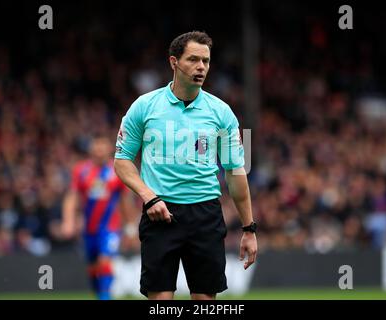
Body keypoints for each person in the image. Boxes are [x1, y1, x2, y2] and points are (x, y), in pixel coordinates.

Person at [114, 31, 257, 300]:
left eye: (206, 61)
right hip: (159, 213)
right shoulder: (143, 107)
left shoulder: (223, 112)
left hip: (206, 214)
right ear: (174, 62)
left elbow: (237, 172)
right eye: (193, 59)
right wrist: (148, 197)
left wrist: (249, 229)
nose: (201, 67)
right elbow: (121, 161)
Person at [61, 135, 136, 300]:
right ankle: (100, 294)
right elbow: (71, 197)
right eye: (97, 145)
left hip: (110, 228)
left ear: (109, 148)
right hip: (89, 230)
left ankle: (105, 297)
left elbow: (125, 201)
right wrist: (68, 221)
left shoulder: (117, 171)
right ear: (91, 148)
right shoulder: (81, 170)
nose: (100, 149)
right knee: (93, 268)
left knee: (104, 262)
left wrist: (130, 228)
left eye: (103, 145)